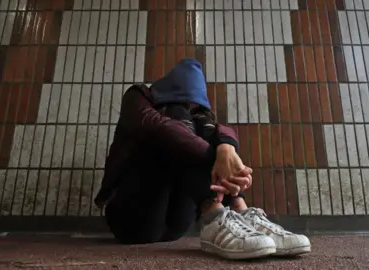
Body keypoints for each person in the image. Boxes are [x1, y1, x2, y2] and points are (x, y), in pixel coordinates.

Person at [94, 58, 311, 260]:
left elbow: (221, 130)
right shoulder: (138, 96)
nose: (190, 108)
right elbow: (160, 128)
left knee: (203, 126)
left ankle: (240, 210)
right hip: (131, 220)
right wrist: (216, 158)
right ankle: (214, 214)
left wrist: (226, 150)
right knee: (177, 127)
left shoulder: (198, 115)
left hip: (175, 224)